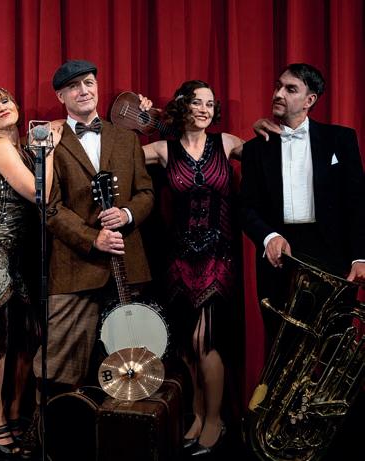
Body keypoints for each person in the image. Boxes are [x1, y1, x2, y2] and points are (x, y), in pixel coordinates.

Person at [22, 60, 154, 456]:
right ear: (61, 96)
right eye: (75, 86)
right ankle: (45, 437)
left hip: (127, 266)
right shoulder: (48, 140)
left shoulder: (125, 138)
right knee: (57, 364)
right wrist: (92, 237)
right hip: (73, 266)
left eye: (90, 83)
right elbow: (49, 206)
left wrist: (127, 214)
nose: (84, 90)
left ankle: (118, 446)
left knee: (127, 366)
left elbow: (146, 193)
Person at [139, 80, 243, 457]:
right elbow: (115, 156)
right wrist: (142, 120)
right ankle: (197, 415)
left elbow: (274, 159)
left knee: (205, 340)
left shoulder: (227, 143)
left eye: (210, 104)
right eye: (197, 102)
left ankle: (216, 420)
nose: (204, 109)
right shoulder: (162, 149)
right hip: (179, 257)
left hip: (219, 255)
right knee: (185, 343)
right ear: (182, 106)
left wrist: (266, 127)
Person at [0, 87, 62, 457]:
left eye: (5, 101)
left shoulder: (20, 146)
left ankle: (17, 410)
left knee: (30, 335)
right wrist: (47, 151)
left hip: (14, 254)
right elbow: (40, 194)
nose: (1, 108)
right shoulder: (2, 147)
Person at [240, 63, 365, 354]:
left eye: (290, 89)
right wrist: (269, 237)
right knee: (282, 352)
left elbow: (358, 202)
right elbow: (245, 207)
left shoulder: (341, 139)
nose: (278, 93)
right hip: (280, 257)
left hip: (334, 258)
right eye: (278, 86)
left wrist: (361, 257)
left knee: (334, 349)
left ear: (310, 100)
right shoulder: (255, 148)